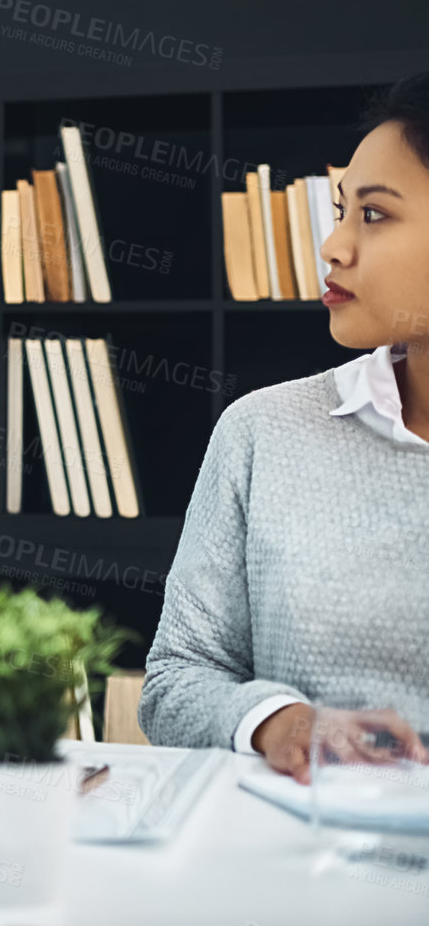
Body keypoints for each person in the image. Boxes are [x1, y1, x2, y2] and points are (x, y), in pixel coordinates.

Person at [141, 72, 429, 781]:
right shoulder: (260, 431)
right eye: (339, 211)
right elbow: (175, 678)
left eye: (373, 214)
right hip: (293, 862)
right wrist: (282, 721)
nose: (331, 246)